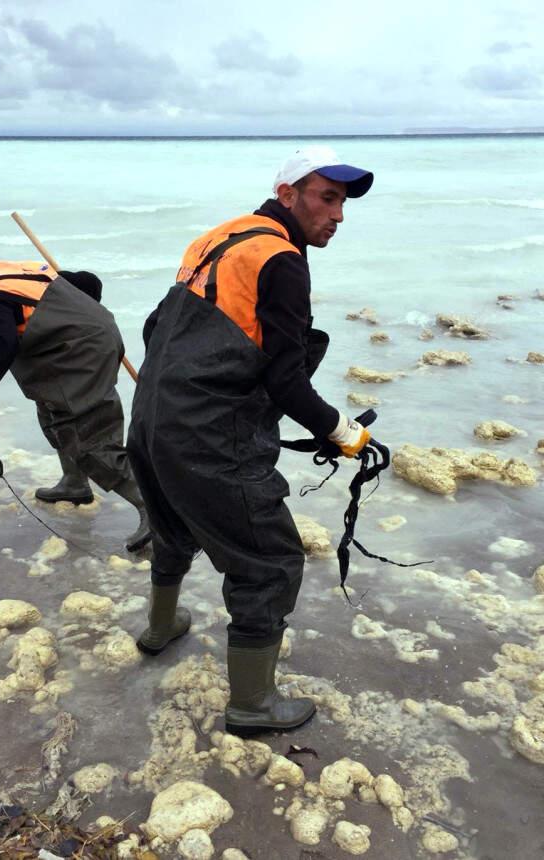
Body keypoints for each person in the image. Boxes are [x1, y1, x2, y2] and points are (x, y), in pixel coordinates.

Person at [127, 145, 378, 736]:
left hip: (150, 420)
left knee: (172, 529)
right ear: (287, 194)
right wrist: (343, 431)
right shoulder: (283, 259)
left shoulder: (220, 237)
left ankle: (161, 629)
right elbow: (284, 380)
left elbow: (155, 326)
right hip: (210, 437)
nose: (337, 215)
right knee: (269, 561)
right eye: (326, 198)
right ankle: (250, 706)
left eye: (342, 202)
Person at [0, 260, 151, 552]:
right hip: (79, 345)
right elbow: (88, 281)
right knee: (51, 412)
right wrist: (78, 316)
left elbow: (3, 344)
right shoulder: (12, 274)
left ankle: (154, 510)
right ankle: (75, 483)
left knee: (89, 439)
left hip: (82, 354)